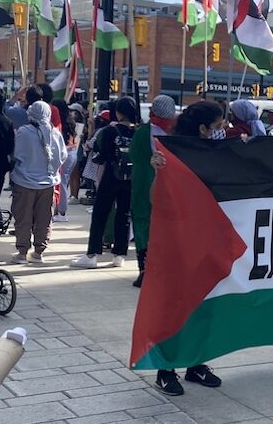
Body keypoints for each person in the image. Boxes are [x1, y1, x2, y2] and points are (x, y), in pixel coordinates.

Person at [147, 100, 224, 396]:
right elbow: (156, 199)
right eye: (218, 127)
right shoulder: (171, 153)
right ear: (203, 128)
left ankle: (196, 363)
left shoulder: (219, 153)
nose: (223, 131)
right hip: (177, 242)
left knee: (204, 304)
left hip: (207, 240)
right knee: (175, 305)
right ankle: (165, 369)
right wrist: (158, 171)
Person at [71, 97, 138, 269]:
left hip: (110, 176)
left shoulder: (110, 131)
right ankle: (119, 254)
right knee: (124, 216)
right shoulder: (137, 132)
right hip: (130, 178)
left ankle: (92, 254)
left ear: (118, 112)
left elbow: (100, 154)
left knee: (100, 214)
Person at [8, 101, 66, 265]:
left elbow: (16, 154)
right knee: (44, 218)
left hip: (24, 182)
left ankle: (22, 252)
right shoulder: (55, 133)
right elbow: (62, 156)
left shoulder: (23, 132)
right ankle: (39, 252)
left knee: (23, 217)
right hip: (48, 183)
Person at [129, 95, 178, 288]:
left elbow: (133, 154)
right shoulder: (174, 132)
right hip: (162, 184)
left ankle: (144, 269)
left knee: (142, 224)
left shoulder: (143, 133)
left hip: (144, 183)